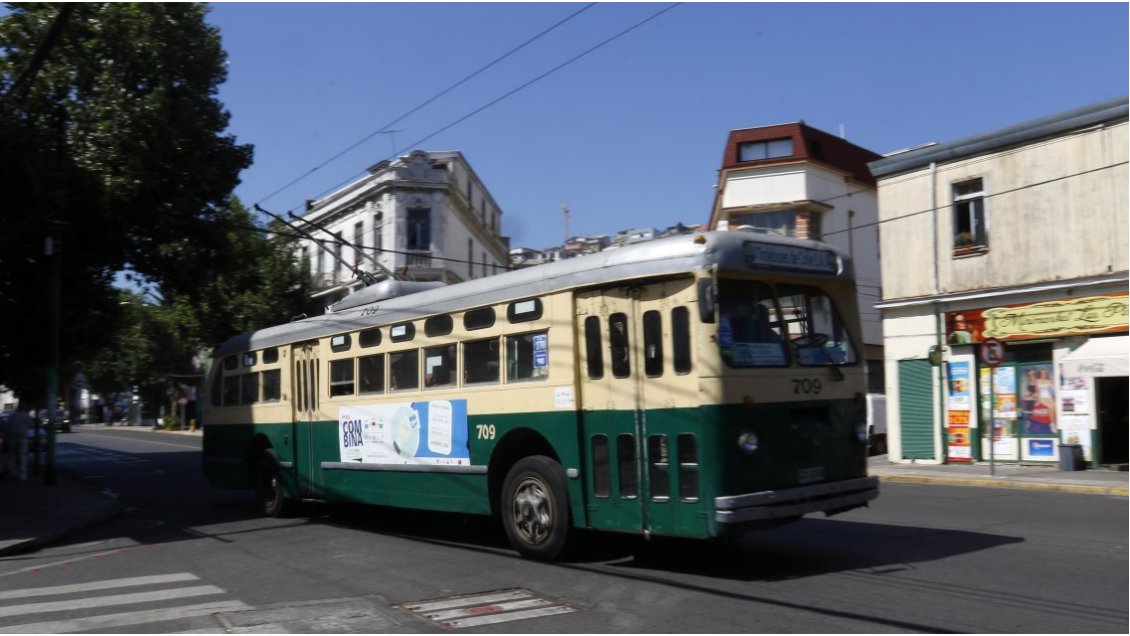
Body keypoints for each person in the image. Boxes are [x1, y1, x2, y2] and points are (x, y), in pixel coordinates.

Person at [6, 402, 32, 481]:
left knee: (12, 456)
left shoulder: (12, 416)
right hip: (23, 437)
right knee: (23, 456)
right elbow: (30, 425)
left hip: (13, 437)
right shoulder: (26, 416)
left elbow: (8, 426)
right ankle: (22, 475)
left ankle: (12, 472)